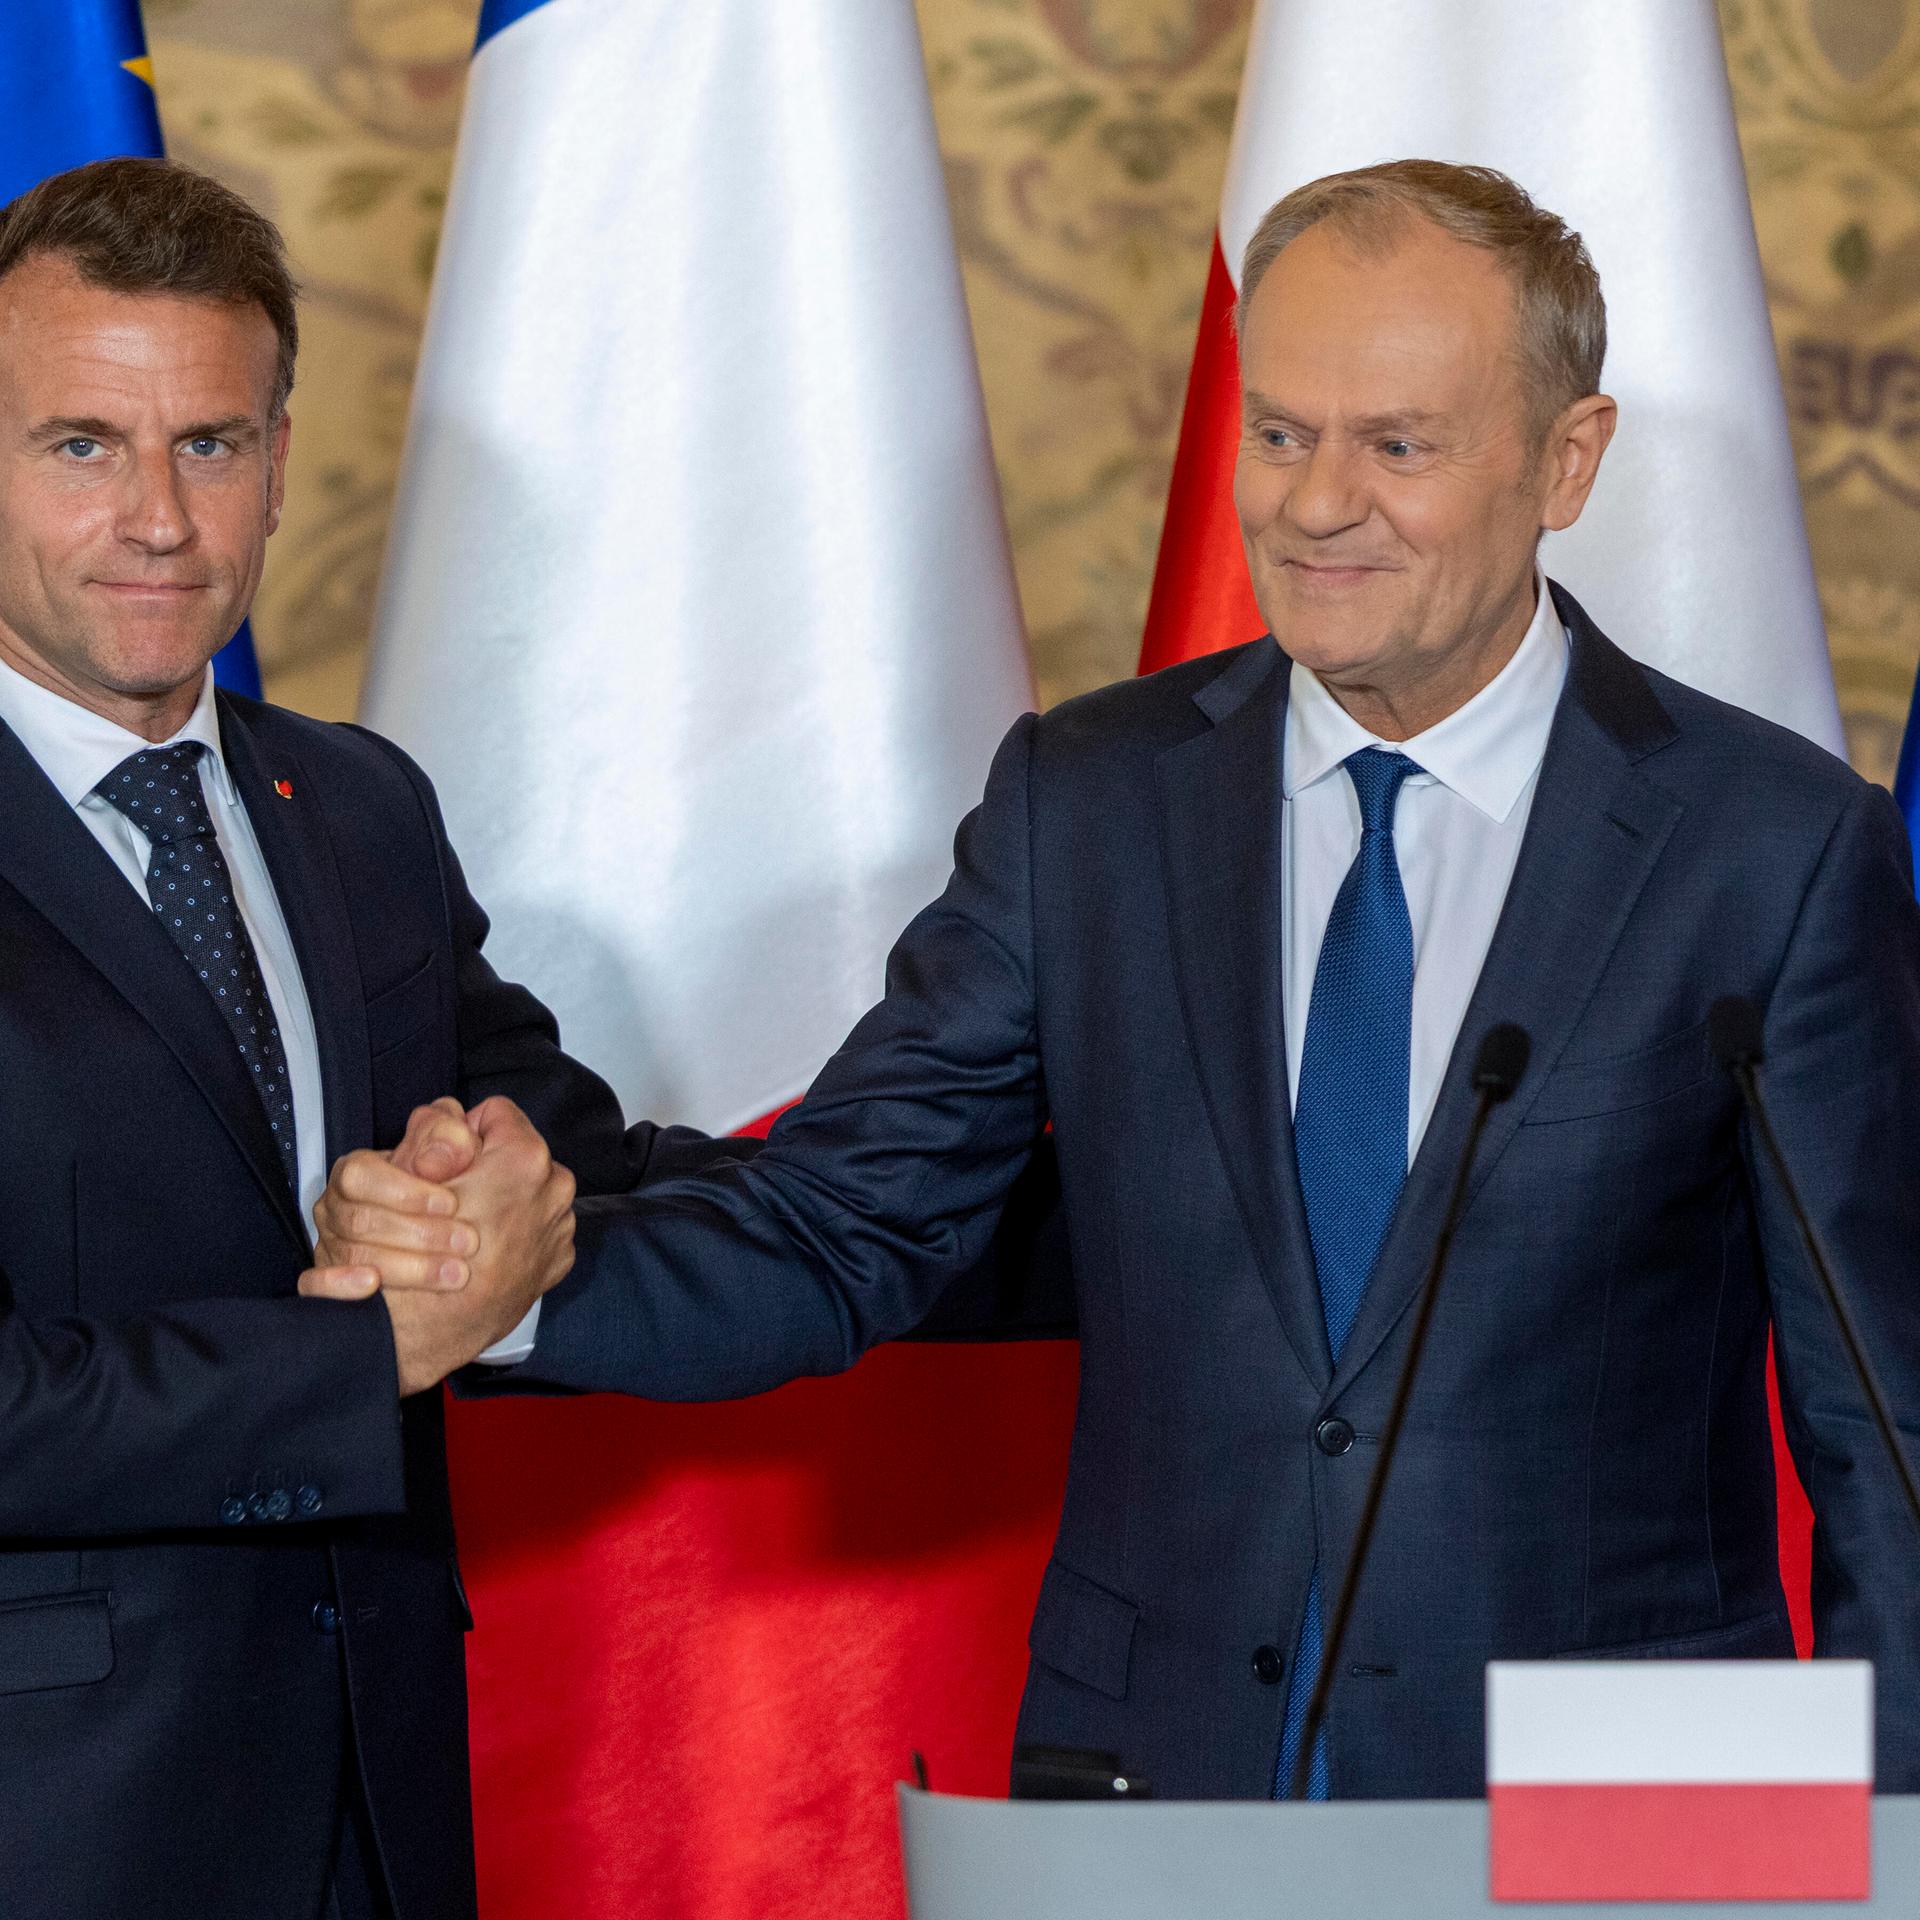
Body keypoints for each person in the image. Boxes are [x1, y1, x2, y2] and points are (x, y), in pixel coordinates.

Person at [314, 160, 1920, 1800]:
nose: (1316, 503)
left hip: (1613, 1800)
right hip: (1162, 1778)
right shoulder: (1089, 802)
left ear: (1567, 460)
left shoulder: (1772, 851)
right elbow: (841, 1221)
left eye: (1398, 446)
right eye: (1281, 432)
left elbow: (1888, 1427)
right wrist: (514, 1287)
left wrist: (1894, 1847)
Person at [0, 157, 1063, 1920]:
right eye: (81, 445)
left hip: (382, 1809)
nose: (162, 518)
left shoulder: (352, 809)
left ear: (280, 459)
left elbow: (588, 1185)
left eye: (212, 443)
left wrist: (1151, 1238)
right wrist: (381, 1347)